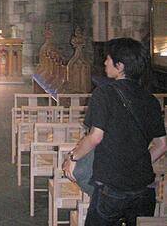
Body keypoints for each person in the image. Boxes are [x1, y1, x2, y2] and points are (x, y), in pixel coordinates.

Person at [62, 37, 167, 226]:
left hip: (112, 188)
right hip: (144, 188)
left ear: (120, 66)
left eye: (108, 58)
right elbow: (162, 144)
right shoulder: (150, 100)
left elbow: (95, 137)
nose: (104, 62)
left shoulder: (104, 94)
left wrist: (73, 157)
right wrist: (136, 164)